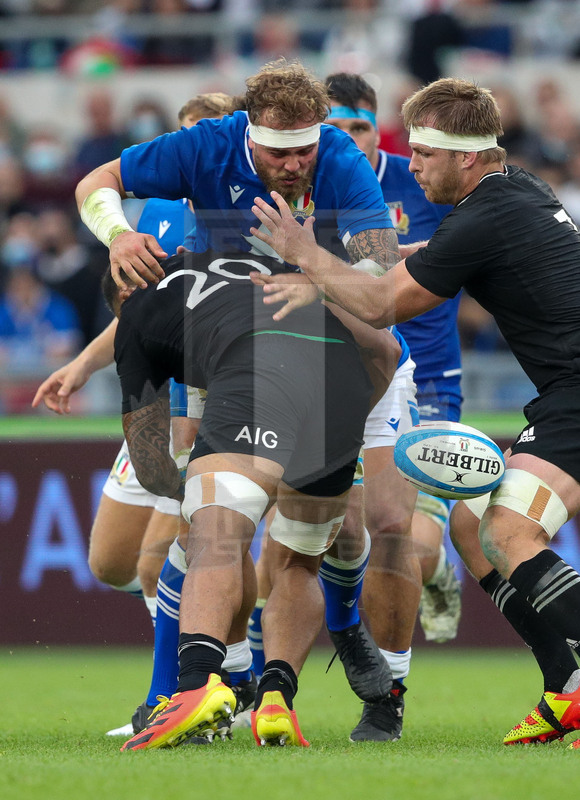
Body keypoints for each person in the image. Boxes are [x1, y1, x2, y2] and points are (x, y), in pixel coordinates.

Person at [248, 76, 580, 749]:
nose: (412, 164)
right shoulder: (517, 193)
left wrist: (305, 253)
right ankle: (563, 689)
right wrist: (360, 258)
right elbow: (435, 255)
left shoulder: (484, 216)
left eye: (422, 153)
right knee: (471, 524)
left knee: (510, 533)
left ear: (463, 157)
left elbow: (378, 307)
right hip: (566, 394)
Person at [74, 58, 404, 722]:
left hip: (341, 330)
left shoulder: (339, 157)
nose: (292, 164)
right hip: (231, 340)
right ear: (247, 134)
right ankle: (211, 688)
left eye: (303, 150)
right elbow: (96, 181)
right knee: (204, 531)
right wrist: (119, 234)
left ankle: (337, 627)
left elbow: (381, 280)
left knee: (354, 522)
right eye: (277, 153)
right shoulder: (206, 145)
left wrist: (313, 269)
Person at [103, 248, 375, 749]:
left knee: (215, 536)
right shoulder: (226, 257)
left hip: (257, 369)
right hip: (343, 378)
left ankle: (197, 686)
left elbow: (148, 463)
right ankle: (276, 701)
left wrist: (190, 488)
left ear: (123, 294)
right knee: (297, 562)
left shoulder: (135, 315)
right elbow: (386, 351)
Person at [324, 72, 463, 649]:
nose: (352, 139)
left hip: (426, 374)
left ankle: (438, 575)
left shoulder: (420, 181)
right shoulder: (311, 184)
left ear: (379, 132)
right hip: (345, 381)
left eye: (362, 127)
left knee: (414, 540)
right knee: (341, 527)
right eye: (338, 128)